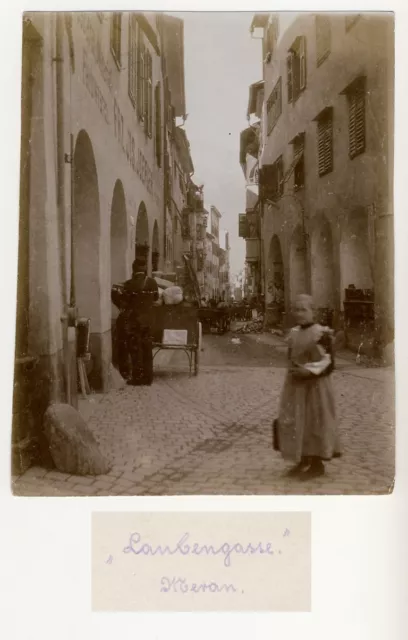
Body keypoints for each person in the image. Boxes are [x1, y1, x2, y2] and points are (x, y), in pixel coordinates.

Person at [275, 294, 341, 479]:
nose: (299, 313)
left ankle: (317, 464)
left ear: (314, 312)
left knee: (314, 422)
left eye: (304, 309)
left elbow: (328, 362)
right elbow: (291, 357)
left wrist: (309, 371)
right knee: (297, 421)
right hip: (296, 387)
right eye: (296, 309)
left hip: (316, 387)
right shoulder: (294, 334)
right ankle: (302, 459)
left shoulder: (321, 333)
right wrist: (293, 370)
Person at [122, 257, 159, 386]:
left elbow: (124, 302)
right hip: (148, 321)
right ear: (145, 270)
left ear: (133, 270)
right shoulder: (153, 283)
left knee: (135, 349)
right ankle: (148, 378)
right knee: (147, 349)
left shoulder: (128, 284)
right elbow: (156, 298)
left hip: (135, 322)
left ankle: (137, 378)